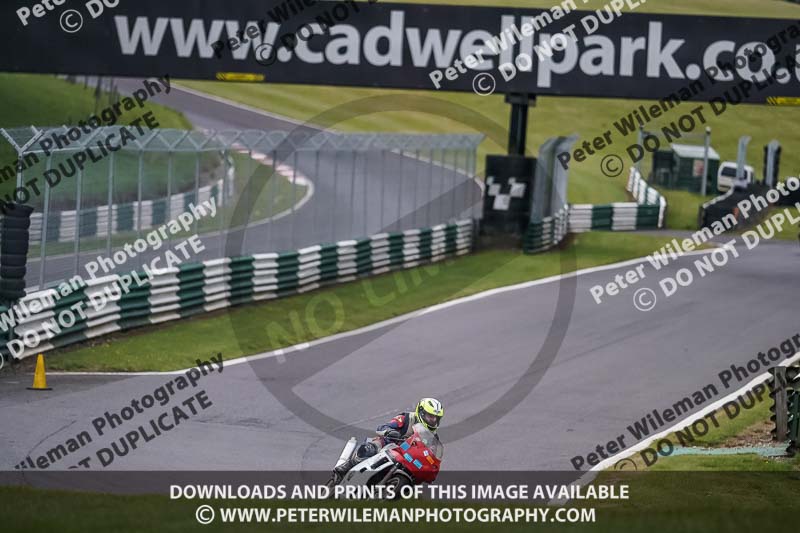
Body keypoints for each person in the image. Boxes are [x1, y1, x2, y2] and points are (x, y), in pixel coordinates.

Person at [329, 398, 444, 484]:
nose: (433, 420)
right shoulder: (407, 418)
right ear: (421, 412)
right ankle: (344, 469)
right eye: (430, 416)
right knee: (369, 448)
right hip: (389, 445)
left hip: (408, 459)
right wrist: (390, 432)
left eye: (435, 418)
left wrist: (430, 469)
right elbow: (383, 427)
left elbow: (430, 457)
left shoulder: (433, 438)